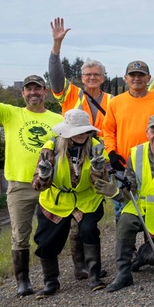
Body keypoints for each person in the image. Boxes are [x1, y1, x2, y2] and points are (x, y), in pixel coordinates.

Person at [0, 50, 62, 297]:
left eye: (37, 88)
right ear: (23, 93)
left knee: (49, 233)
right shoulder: (11, 114)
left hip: (51, 185)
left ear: (45, 92)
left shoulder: (58, 120)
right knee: (20, 235)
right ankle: (23, 281)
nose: (33, 92)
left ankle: (54, 278)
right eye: (29, 89)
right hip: (19, 186)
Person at [47, 17, 114, 280]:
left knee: (91, 213)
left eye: (96, 75)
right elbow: (55, 77)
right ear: (81, 78)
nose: (92, 78)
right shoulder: (71, 94)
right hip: (71, 156)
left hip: (99, 157)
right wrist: (56, 46)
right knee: (75, 216)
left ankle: (92, 263)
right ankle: (81, 266)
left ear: (104, 78)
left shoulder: (111, 100)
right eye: (87, 75)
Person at [94, 114, 154, 292]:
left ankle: (146, 253)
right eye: (153, 131)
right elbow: (129, 191)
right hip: (141, 208)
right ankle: (123, 274)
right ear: (147, 133)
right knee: (124, 222)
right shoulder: (136, 153)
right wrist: (115, 192)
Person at [31, 110, 111, 296]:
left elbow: (102, 182)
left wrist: (98, 170)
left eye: (84, 131)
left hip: (87, 198)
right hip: (56, 201)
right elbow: (37, 185)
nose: (81, 134)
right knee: (46, 240)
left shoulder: (97, 147)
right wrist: (44, 174)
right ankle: (51, 282)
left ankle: (94, 276)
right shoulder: (50, 147)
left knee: (88, 230)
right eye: (76, 131)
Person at [101, 60, 154, 172]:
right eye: (133, 75)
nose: (137, 78)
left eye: (141, 75)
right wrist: (111, 153)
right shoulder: (115, 102)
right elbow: (108, 131)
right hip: (123, 165)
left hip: (152, 166)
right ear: (126, 78)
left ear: (149, 78)